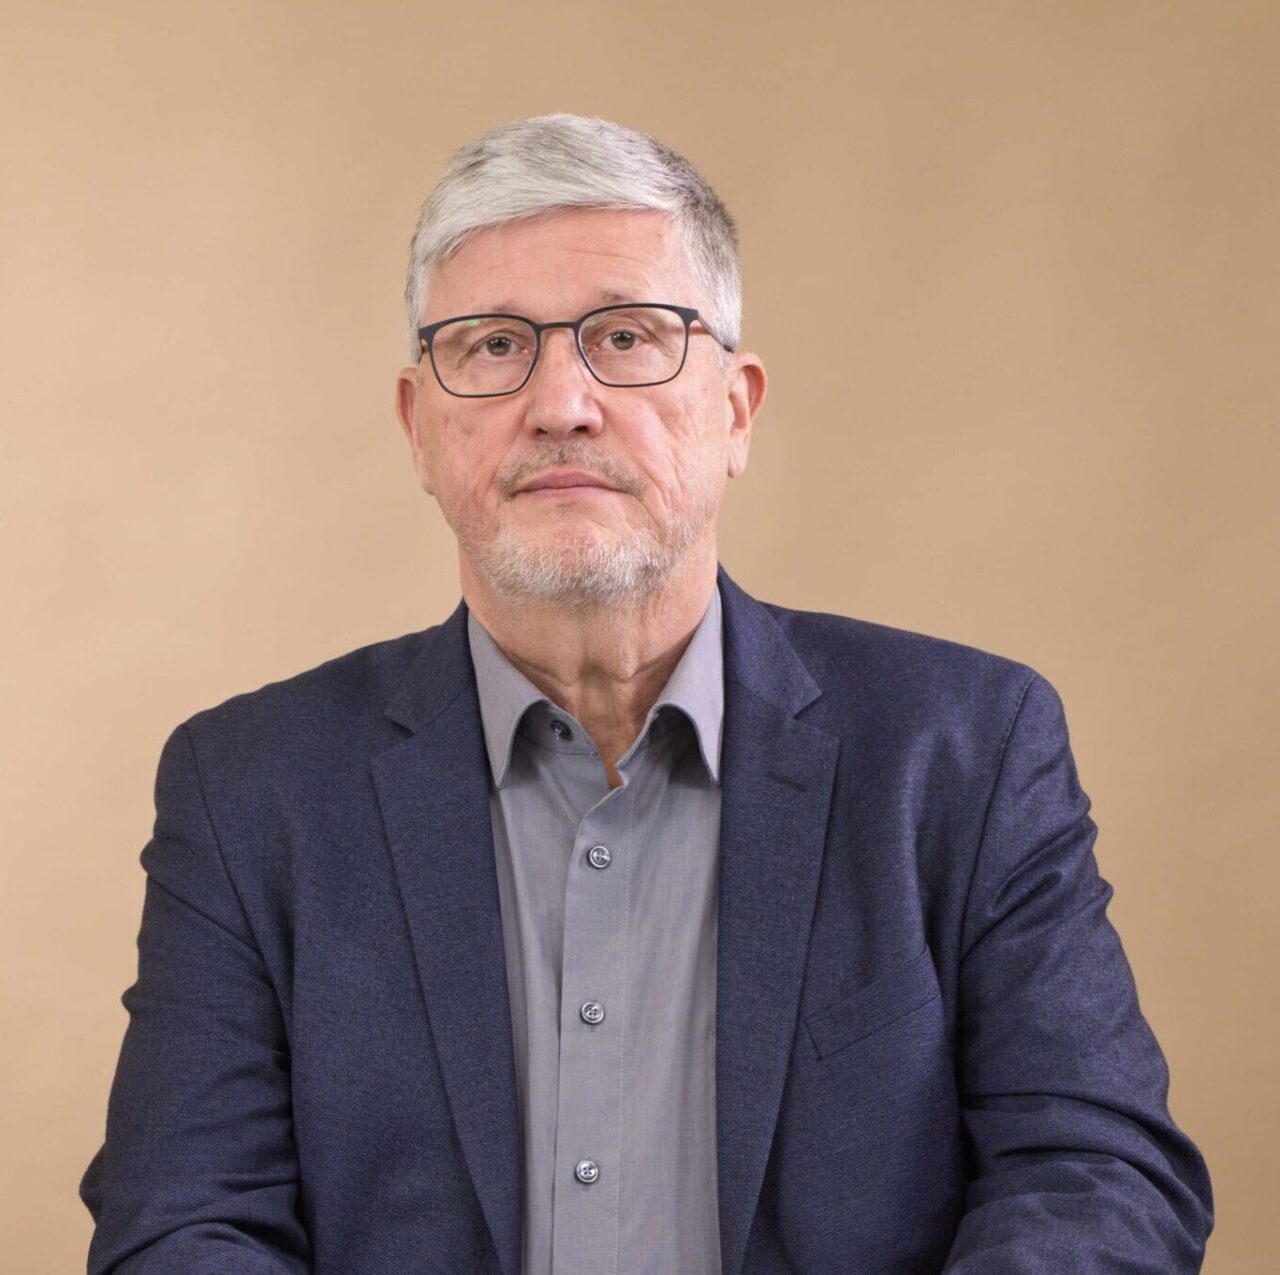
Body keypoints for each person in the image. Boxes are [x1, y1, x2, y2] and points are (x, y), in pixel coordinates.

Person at [79, 113, 1213, 1275]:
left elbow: (1095, 1174)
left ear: (735, 410)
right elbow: (181, 1221)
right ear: (419, 428)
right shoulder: (250, 787)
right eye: (492, 345)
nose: (561, 404)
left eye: (625, 337)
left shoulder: (963, 748)